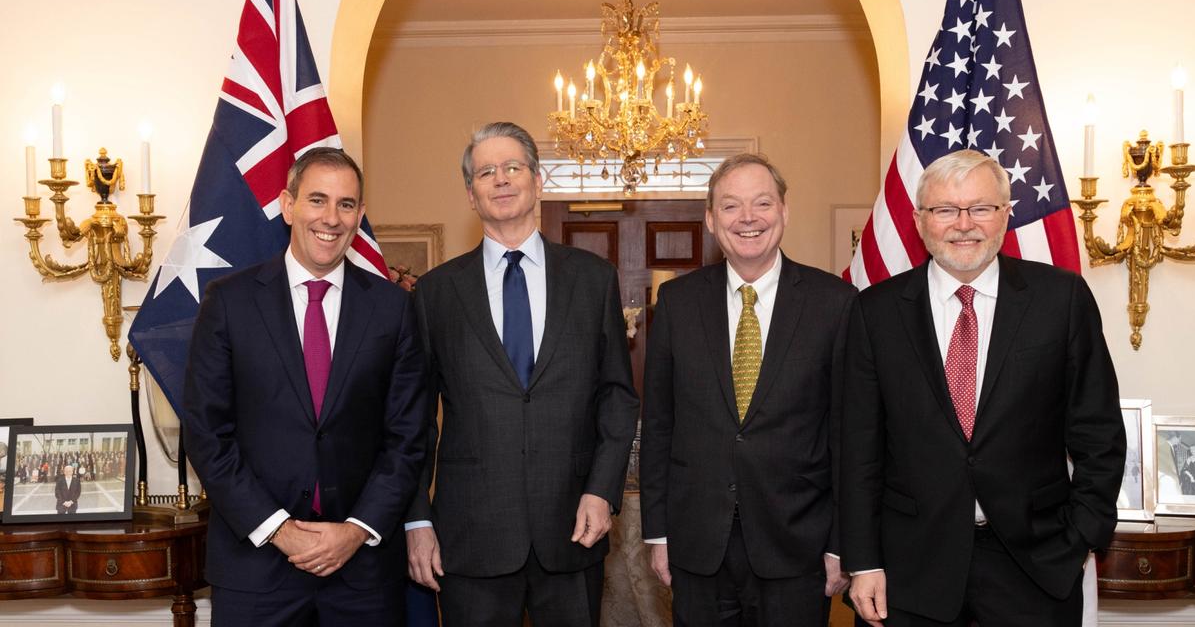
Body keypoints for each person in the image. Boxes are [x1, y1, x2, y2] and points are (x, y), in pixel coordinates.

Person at [841, 149, 1126, 626]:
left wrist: (1081, 535)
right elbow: (859, 449)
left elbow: (1099, 433)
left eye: (981, 208)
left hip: (1035, 566)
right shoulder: (875, 312)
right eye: (945, 210)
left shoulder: (1061, 299)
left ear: (1005, 215)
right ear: (919, 220)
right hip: (910, 571)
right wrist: (864, 561)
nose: (963, 224)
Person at [404, 122, 638, 627]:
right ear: (471, 194)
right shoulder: (437, 293)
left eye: (513, 167)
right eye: (486, 172)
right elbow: (413, 419)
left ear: (538, 179)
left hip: (574, 527)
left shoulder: (592, 279)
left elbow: (617, 397)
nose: (502, 179)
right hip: (470, 538)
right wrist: (417, 517)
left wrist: (601, 490)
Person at [184, 147, 429, 626]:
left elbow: (407, 437)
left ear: (359, 215)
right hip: (256, 569)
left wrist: (357, 530)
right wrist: (280, 530)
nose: (331, 218)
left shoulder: (392, 308)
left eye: (346, 204)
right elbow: (207, 435)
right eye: (317, 200)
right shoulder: (229, 303)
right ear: (287, 205)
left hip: (362, 573)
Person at [639, 153, 855, 626]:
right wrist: (656, 532)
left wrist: (844, 542)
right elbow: (659, 424)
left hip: (799, 545)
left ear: (784, 212)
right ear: (712, 220)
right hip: (697, 546)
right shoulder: (677, 302)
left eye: (762, 203)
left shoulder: (835, 303)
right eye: (731, 206)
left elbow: (848, 435)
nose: (748, 218)